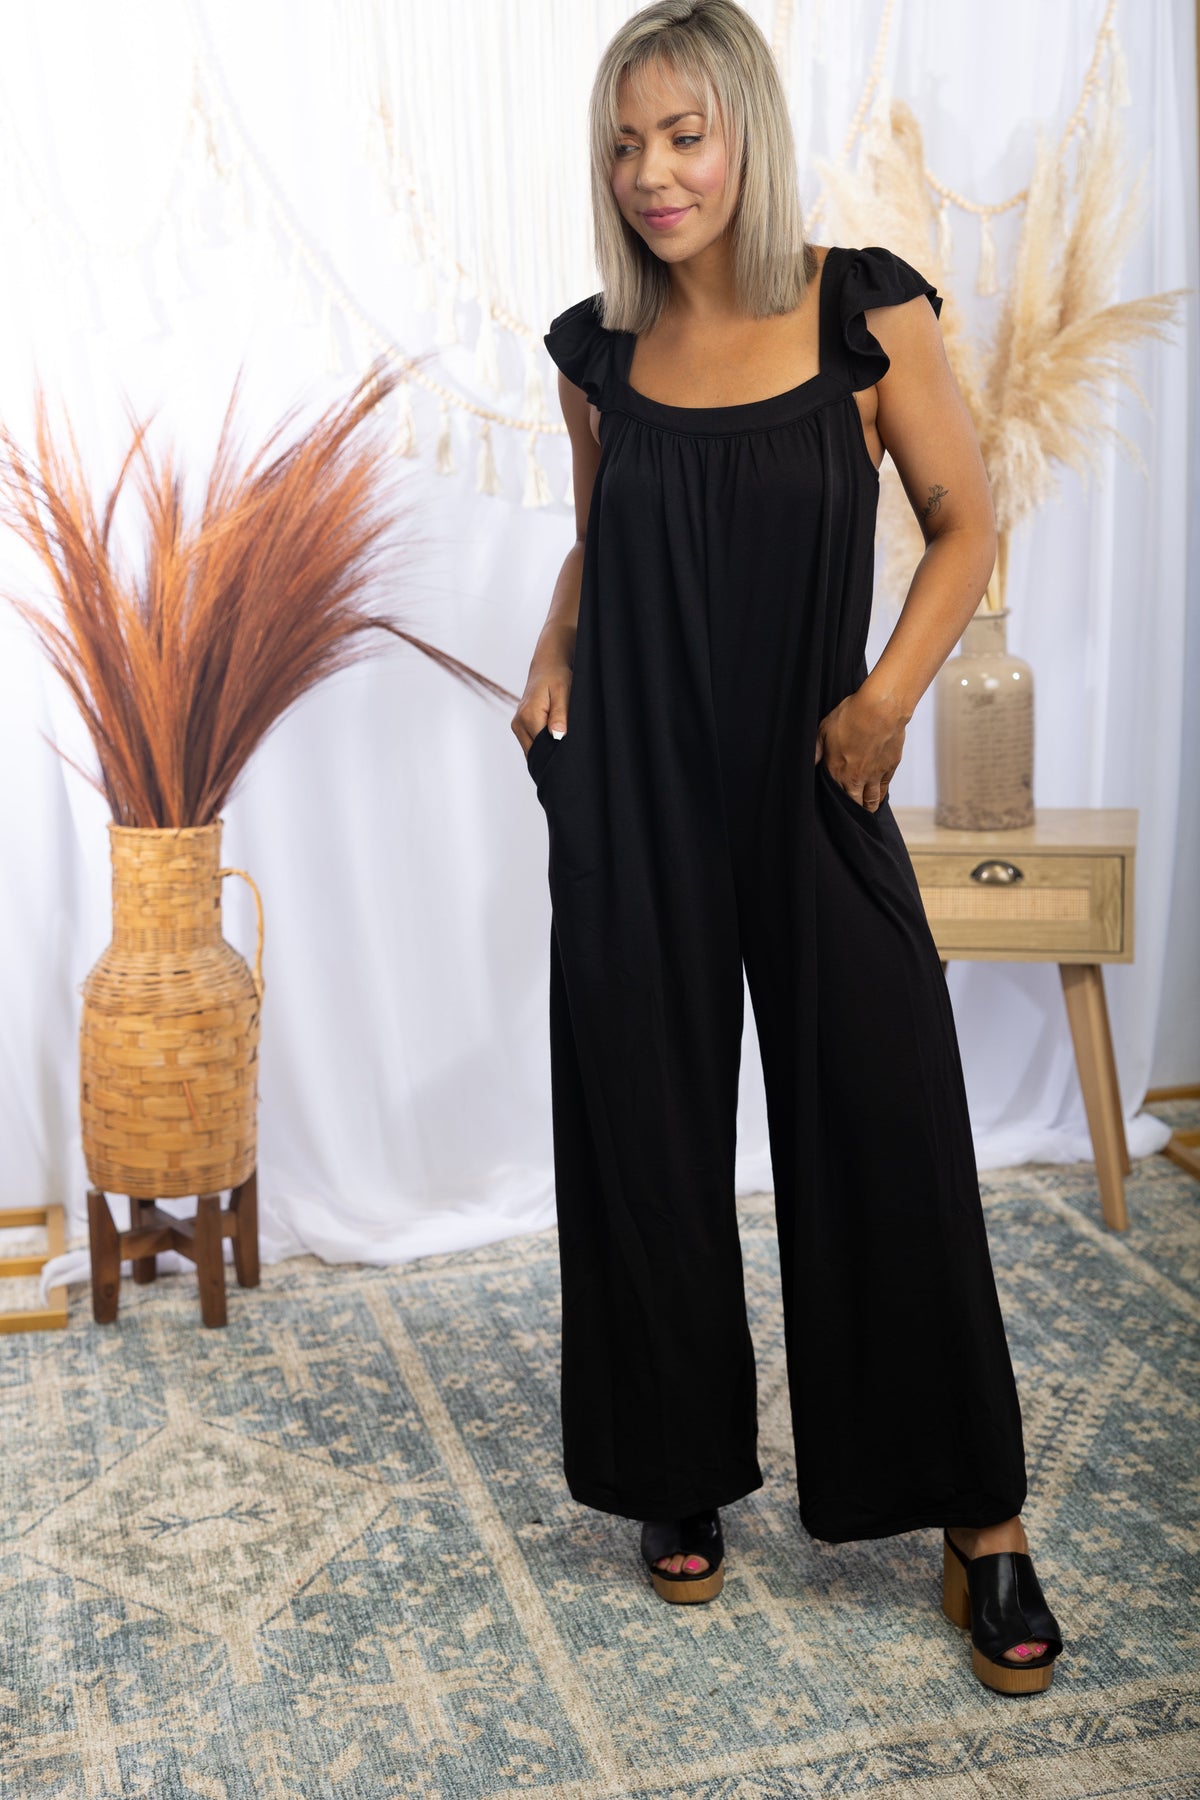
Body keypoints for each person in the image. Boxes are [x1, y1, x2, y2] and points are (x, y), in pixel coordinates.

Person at [512, 0, 1063, 1697]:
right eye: (626, 143)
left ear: (745, 132)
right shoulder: (599, 351)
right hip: (636, 784)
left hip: (821, 774)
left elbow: (965, 522)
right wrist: (551, 657)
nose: (653, 172)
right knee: (644, 1126)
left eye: (684, 135)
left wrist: (884, 703)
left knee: (886, 1122)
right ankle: (675, 1464)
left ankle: (978, 1519)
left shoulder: (863, 310)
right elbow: (603, 542)